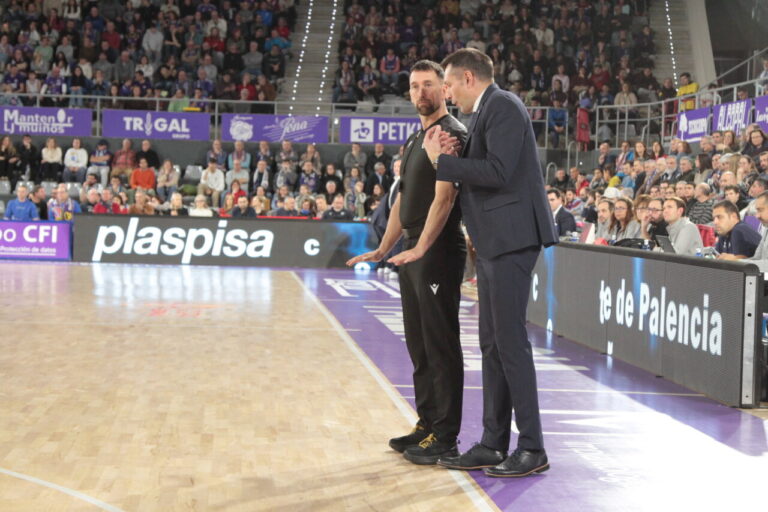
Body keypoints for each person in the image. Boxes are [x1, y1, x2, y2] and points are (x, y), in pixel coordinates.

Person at [421, 48, 557, 477]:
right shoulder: (486, 112)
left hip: (513, 239)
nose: (446, 91)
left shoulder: (503, 105)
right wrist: (458, 148)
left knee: (509, 342)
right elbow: (486, 162)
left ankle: (532, 448)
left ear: (467, 77)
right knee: (493, 344)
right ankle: (493, 442)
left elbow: (498, 171)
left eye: (448, 83)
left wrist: (442, 161)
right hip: (496, 240)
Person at [348, 60, 468, 465]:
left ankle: (446, 435)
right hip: (413, 248)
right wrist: (384, 248)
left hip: (436, 249)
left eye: (429, 85)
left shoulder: (451, 134)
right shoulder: (415, 140)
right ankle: (427, 423)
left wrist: (422, 248)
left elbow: (445, 197)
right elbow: (403, 200)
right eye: (415, 86)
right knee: (418, 344)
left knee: (440, 343)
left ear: (444, 90)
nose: (421, 93)